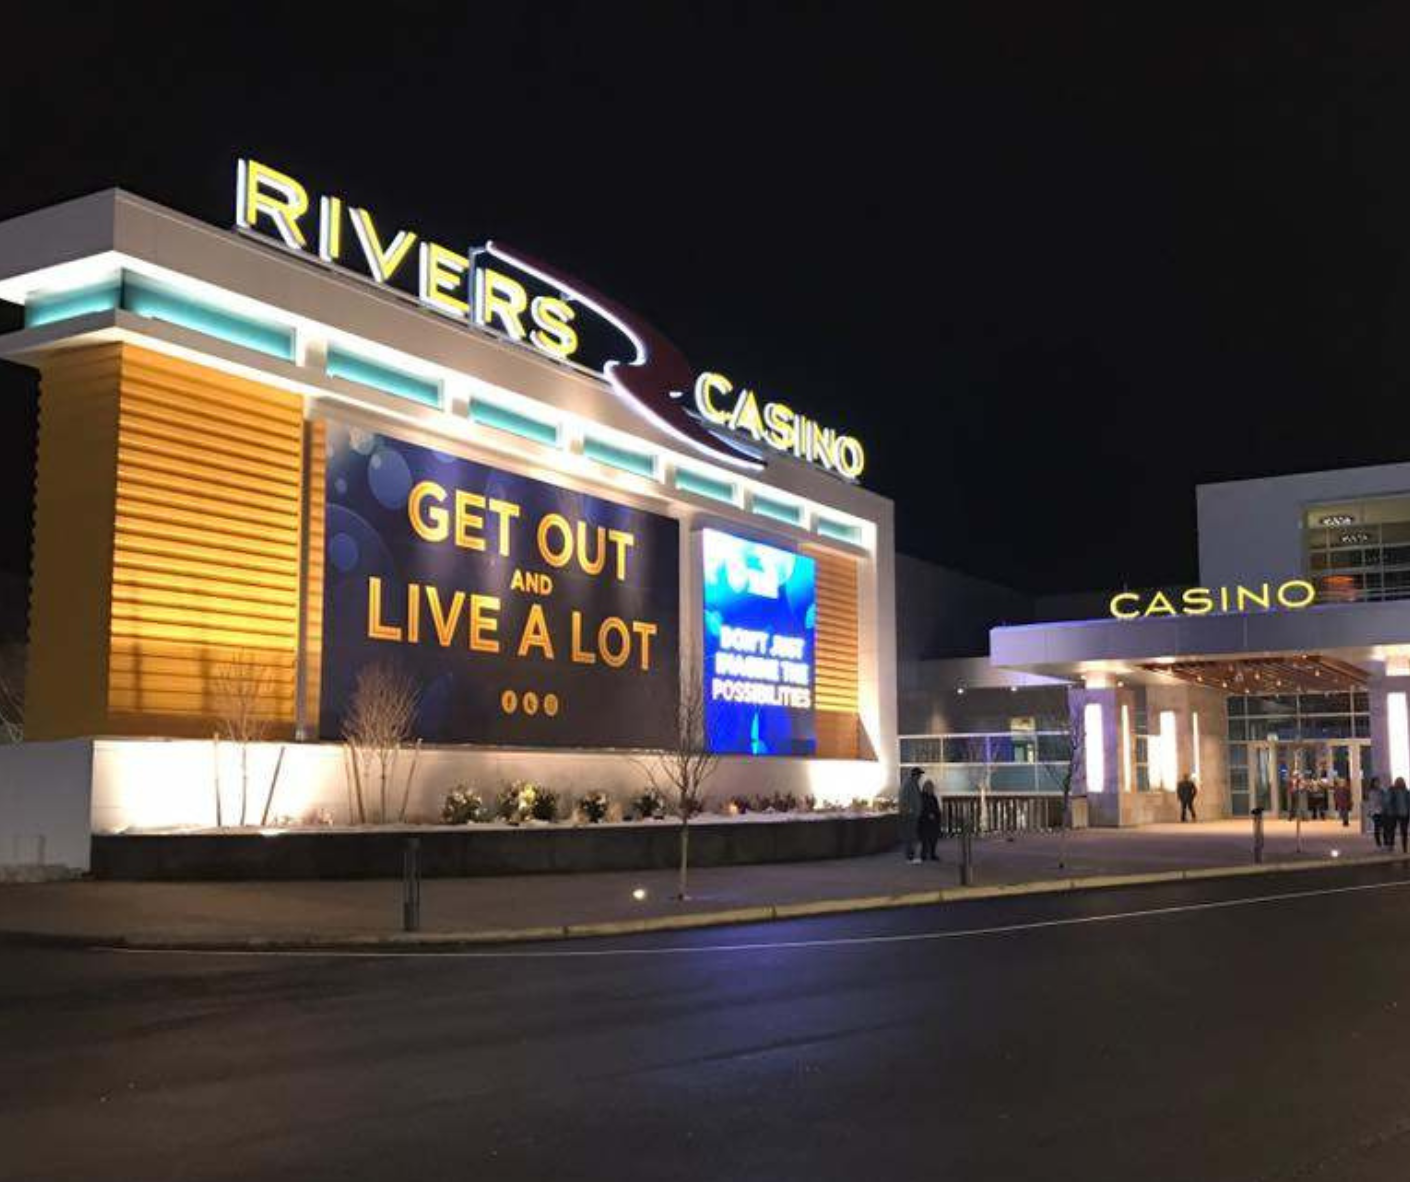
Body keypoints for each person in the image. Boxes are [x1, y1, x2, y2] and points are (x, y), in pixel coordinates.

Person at [898, 766, 923, 864]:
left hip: (912, 814)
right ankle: (909, 857)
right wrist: (909, 810)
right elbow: (904, 799)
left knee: (912, 836)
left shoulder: (912, 783)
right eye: (919, 775)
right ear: (915, 775)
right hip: (909, 815)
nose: (920, 777)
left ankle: (910, 855)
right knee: (910, 836)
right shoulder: (909, 784)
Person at [918, 780, 942, 862]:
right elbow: (921, 808)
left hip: (934, 821)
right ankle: (923, 854)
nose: (931, 789)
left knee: (933, 839)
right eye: (929, 787)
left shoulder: (933, 797)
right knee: (925, 839)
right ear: (925, 788)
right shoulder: (921, 797)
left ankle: (932, 854)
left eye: (931, 787)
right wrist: (928, 814)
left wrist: (937, 815)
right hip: (924, 821)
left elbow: (936, 808)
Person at [1388, 777, 1410, 854]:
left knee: (1404, 832)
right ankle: (1391, 845)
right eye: (1399, 782)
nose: (1400, 783)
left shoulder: (1407, 792)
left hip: (1405, 814)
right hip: (1395, 814)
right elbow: (1388, 801)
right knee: (1392, 830)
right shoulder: (1392, 791)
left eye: (1401, 782)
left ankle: (1405, 847)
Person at [1366, 777, 1386, 848]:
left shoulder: (1382, 791)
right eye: (1375, 782)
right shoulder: (1370, 792)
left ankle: (1386, 842)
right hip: (1375, 812)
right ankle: (1378, 843)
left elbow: (1385, 800)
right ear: (1373, 783)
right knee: (1377, 828)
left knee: (1384, 827)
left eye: (1378, 782)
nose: (1377, 783)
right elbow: (1370, 802)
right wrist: (1369, 811)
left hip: (1382, 811)